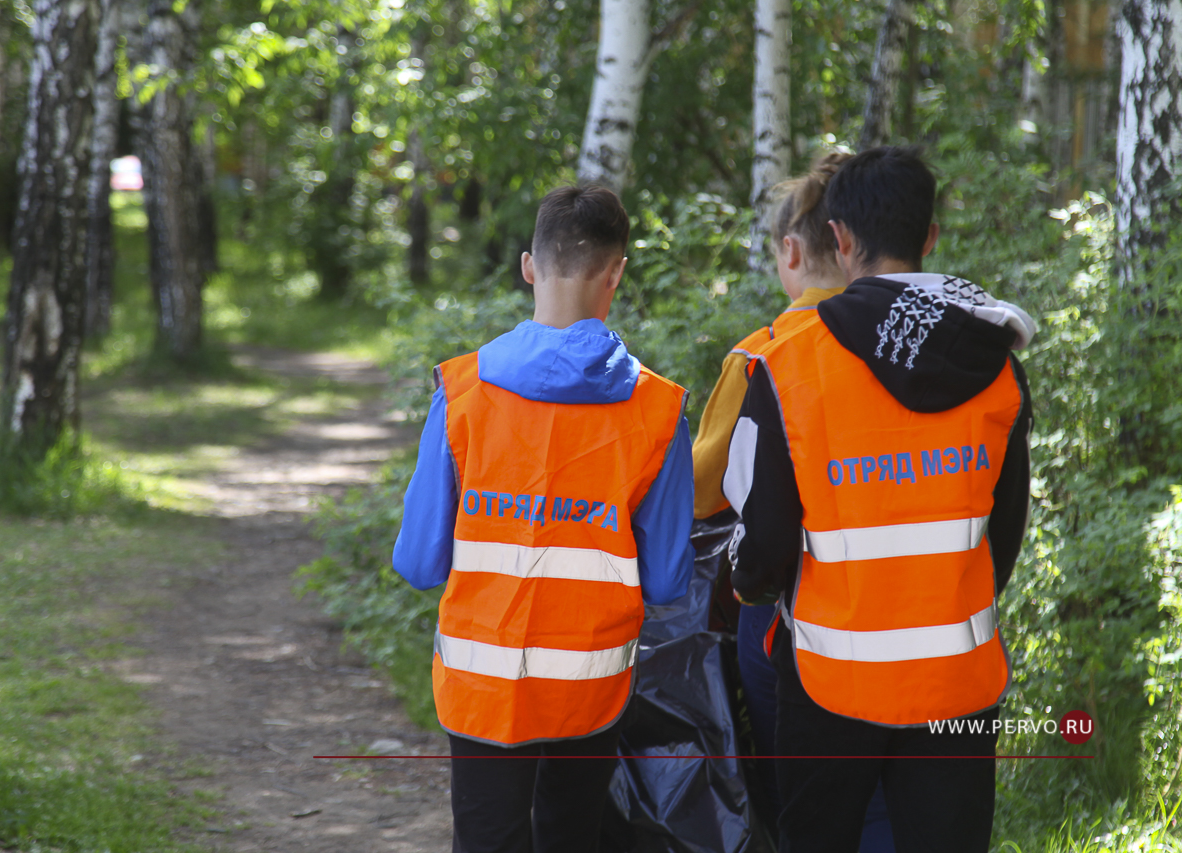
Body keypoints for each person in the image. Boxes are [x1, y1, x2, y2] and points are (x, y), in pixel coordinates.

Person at [724, 145, 1036, 853]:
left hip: (828, 681)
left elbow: (761, 546)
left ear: (837, 238)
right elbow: (1007, 530)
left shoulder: (787, 364)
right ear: (930, 236)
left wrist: (751, 586)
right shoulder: (997, 365)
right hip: (956, 681)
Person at [392, 185, 696, 853]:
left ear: (529, 266)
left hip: (483, 680)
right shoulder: (659, 411)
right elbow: (669, 581)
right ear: (616, 273)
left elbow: (417, 563)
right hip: (591, 683)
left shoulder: (462, 391)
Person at [693, 152, 895, 850]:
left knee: (804, 798)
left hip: (790, 612)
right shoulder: (903, 344)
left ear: (792, 251)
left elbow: (705, 492)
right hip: (910, 600)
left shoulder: (763, 355)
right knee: (889, 802)